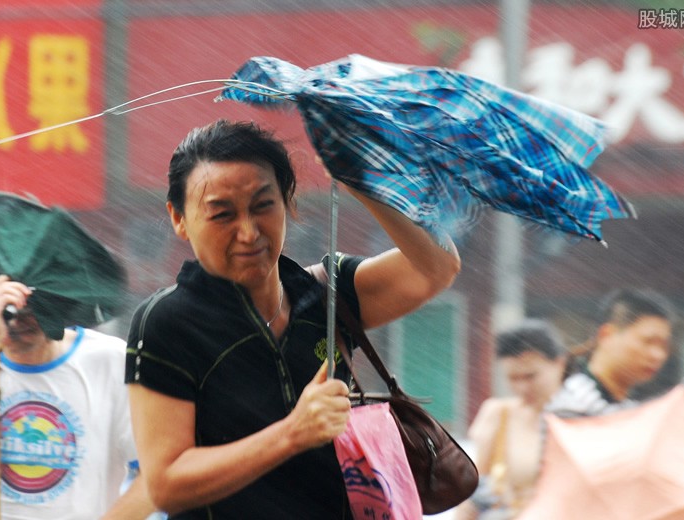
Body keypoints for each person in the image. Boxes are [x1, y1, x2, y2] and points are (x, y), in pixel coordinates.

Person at [124, 119, 461, 519]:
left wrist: (364, 182)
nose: (248, 232)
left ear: (288, 202)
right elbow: (167, 484)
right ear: (179, 219)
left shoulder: (326, 294)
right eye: (222, 214)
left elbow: (436, 267)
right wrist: (293, 433)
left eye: (263, 205)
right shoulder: (166, 323)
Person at [0, 275, 156, 519]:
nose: (16, 323)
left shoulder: (111, 360)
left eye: (32, 308)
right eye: (8, 312)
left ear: (60, 304)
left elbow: (152, 476)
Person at [455, 319, 567, 520]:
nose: (522, 388)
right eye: (513, 378)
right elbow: (476, 491)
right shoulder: (499, 415)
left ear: (559, 363)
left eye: (531, 376)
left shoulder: (583, 415)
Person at [545, 288, 674, 419]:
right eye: (648, 341)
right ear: (607, 335)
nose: (658, 355)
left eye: (664, 345)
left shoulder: (633, 409)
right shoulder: (569, 406)